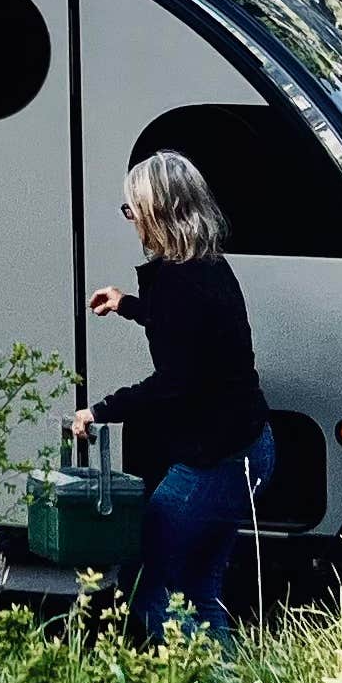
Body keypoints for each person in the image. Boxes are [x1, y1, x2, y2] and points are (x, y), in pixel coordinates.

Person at [68, 151, 274, 645]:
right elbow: (185, 329)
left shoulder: (183, 284)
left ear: (158, 213)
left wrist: (99, 410)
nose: (130, 218)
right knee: (199, 587)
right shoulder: (205, 265)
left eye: (132, 208)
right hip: (252, 448)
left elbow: (173, 384)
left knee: (151, 584)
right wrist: (128, 305)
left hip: (216, 463)